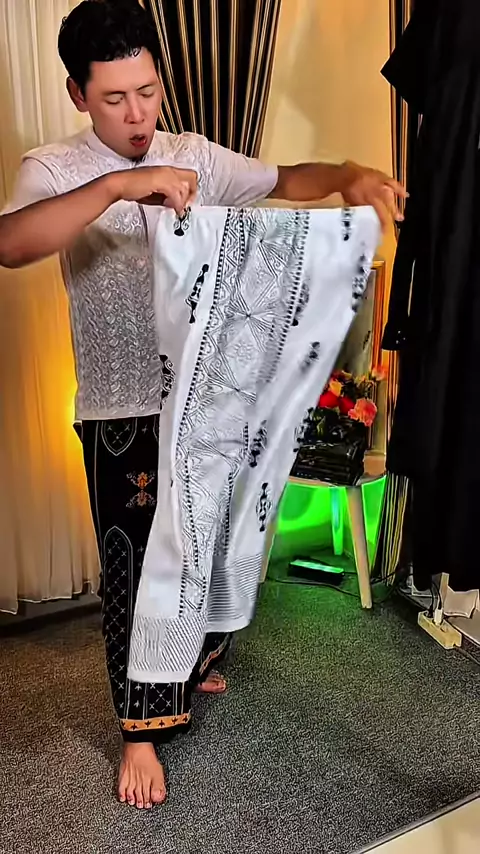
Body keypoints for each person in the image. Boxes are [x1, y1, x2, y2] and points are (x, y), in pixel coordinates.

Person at [0, 0, 405, 810]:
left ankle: (194, 659)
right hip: (121, 407)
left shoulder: (192, 154)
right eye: (115, 99)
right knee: (136, 564)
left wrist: (346, 175)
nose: (137, 114)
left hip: (209, 395)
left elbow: (285, 180)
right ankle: (139, 732)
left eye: (147, 91)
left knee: (211, 544)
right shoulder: (55, 168)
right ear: (79, 95)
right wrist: (121, 184)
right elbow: (12, 243)